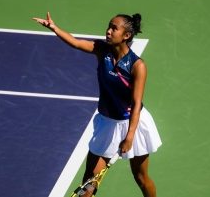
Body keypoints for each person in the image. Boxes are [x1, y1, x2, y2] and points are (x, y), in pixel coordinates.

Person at [33, 12, 162, 197]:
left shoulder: (137, 66)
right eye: (108, 26)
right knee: (89, 183)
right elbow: (76, 43)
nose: (108, 31)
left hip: (133, 123)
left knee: (141, 177)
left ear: (126, 35)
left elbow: (136, 103)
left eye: (114, 28)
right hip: (107, 124)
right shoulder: (102, 50)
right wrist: (55, 28)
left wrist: (129, 137)